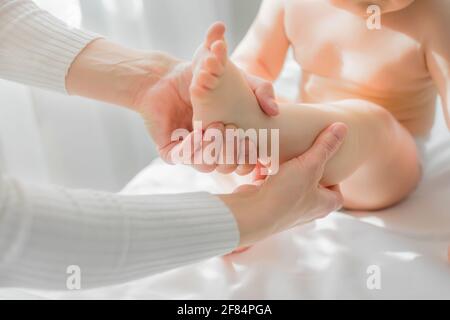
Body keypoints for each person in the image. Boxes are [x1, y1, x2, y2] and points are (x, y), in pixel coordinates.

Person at [0, 0, 346, 289]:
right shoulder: (294, 4)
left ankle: (256, 125)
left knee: (366, 120)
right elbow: (11, 232)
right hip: (279, 157)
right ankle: (253, 124)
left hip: (366, 160)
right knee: (310, 127)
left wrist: (153, 80)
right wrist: (252, 215)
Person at [188, 0, 450, 210]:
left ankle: (251, 133)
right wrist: (239, 82)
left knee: (371, 119)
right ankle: (251, 186)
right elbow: (257, 63)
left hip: (383, 166)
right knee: (270, 103)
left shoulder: (436, 14)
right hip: (301, 135)